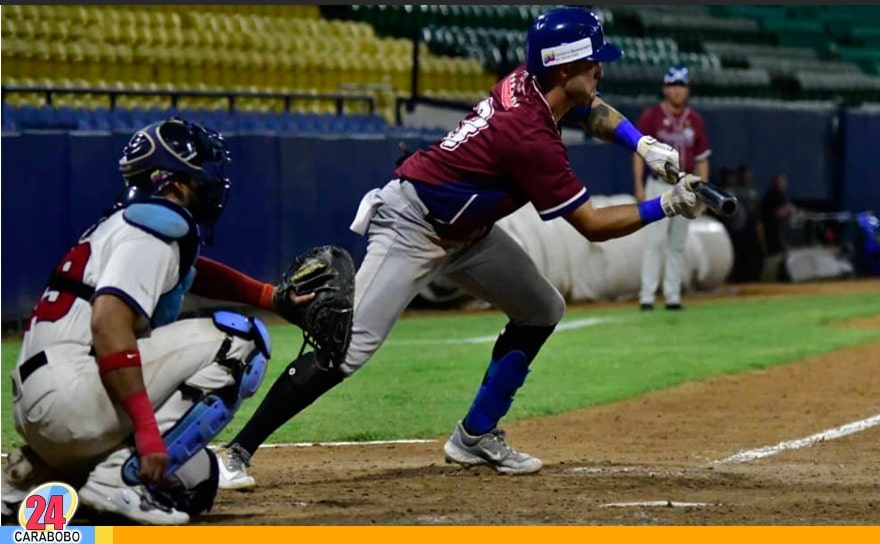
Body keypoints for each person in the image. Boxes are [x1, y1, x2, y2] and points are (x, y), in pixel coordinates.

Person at [215, 5, 706, 486]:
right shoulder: (529, 134)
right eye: (592, 61)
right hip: (414, 225)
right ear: (563, 67)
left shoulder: (533, 82)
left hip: (470, 232)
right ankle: (237, 451)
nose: (600, 68)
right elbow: (593, 225)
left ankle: (475, 434)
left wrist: (640, 143)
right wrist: (665, 207)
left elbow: (592, 108)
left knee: (541, 308)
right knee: (344, 348)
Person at [1, 118, 314, 525]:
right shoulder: (154, 227)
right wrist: (148, 431)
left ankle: (30, 480)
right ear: (175, 182)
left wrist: (268, 296)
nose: (213, 185)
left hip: (47, 406)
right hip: (70, 397)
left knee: (196, 478)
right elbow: (108, 322)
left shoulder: (131, 225)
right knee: (240, 339)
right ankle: (120, 480)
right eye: (202, 175)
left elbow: (192, 272)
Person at [634, 65, 711, 311]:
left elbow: (702, 158)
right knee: (654, 241)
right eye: (673, 85)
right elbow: (638, 153)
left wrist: (703, 190)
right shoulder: (652, 116)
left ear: (687, 90)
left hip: (686, 185)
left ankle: (672, 296)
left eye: (682, 86)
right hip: (658, 184)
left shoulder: (695, 120)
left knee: (678, 243)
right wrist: (638, 185)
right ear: (665, 89)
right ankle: (647, 296)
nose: (678, 91)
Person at [759, 173, 795, 280]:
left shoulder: (782, 196)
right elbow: (776, 214)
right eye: (779, 182)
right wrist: (788, 209)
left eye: (783, 182)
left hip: (781, 236)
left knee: (782, 262)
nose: (781, 184)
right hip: (772, 236)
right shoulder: (771, 197)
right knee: (772, 260)